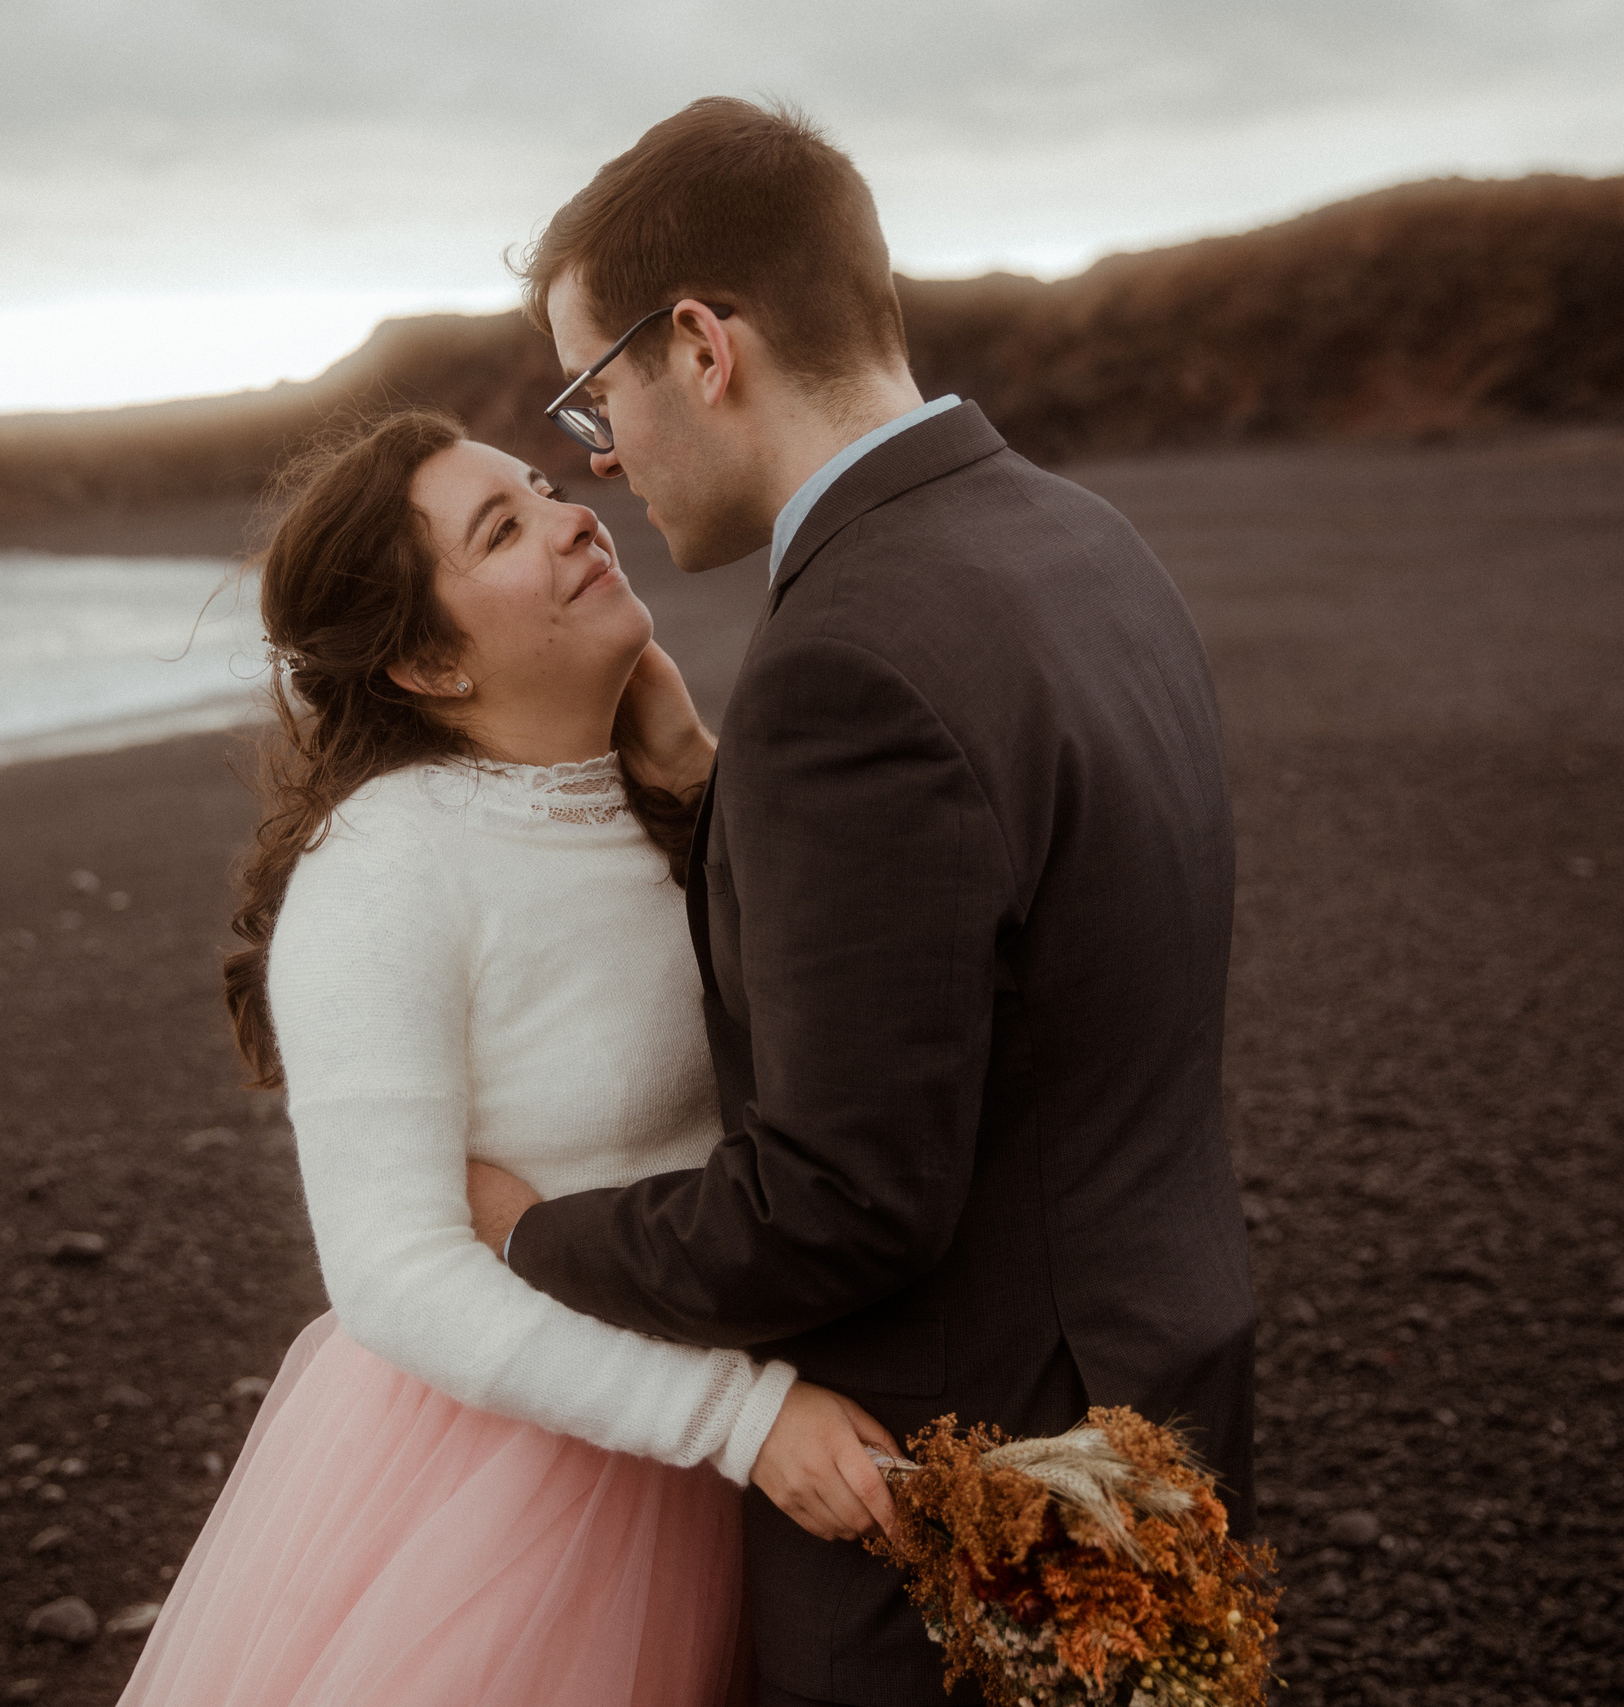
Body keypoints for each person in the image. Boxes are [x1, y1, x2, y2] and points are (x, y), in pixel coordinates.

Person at [468, 98, 1260, 1706]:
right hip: (1160, 1363)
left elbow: (837, 1204)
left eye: (594, 389)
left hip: (967, 1482)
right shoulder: (1077, 536)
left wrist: (527, 1239)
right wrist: (712, 804)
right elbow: (1010, 953)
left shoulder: (844, 665)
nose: (597, 456)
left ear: (702, 345)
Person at [112, 409, 899, 1707]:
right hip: (514, 1487)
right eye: (505, 527)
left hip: (718, 1446)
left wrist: (698, 778)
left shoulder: (661, 793)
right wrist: (739, 1422)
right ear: (427, 663)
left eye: (542, 487)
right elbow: (395, 1279)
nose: (575, 513)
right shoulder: (385, 868)